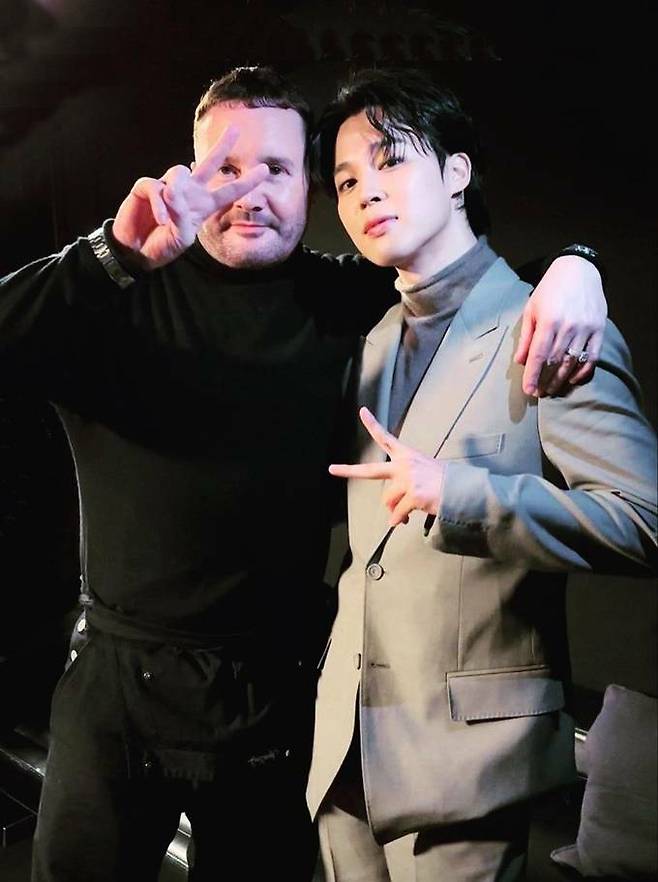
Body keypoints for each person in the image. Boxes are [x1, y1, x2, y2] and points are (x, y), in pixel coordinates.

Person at [0, 66, 608, 882]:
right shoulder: (115, 290)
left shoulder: (344, 297)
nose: (250, 192)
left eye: (277, 169)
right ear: (189, 173)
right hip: (118, 682)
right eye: (226, 168)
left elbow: (474, 283)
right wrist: (110, 253)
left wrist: (577, 264)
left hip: (276, 693)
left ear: (308, 188)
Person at [306, 69, 657, 881]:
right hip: (344, 754)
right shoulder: (372, 341)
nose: (366, 192)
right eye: (347, 180)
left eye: (391, 161)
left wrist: (461, 495)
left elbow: (645, 521)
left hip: (466, 768)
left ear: (458, 171)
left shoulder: (553, 323)